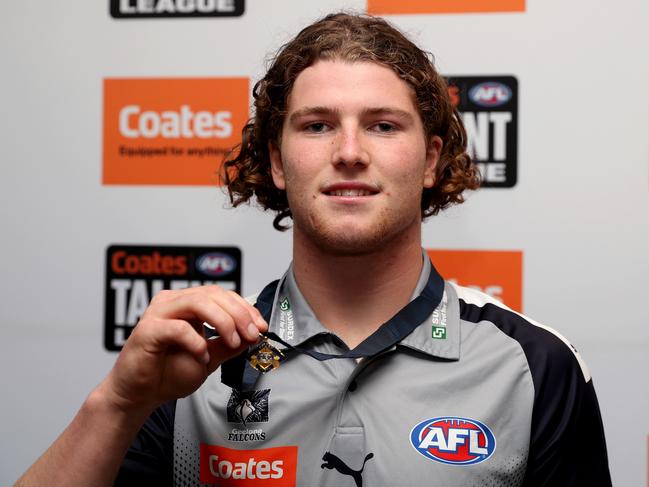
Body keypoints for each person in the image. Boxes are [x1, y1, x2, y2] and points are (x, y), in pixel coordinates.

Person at [16, 12, 611, 487]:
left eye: (382, 125)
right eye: (317, 125)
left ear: (430, 160)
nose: (349, 151)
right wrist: (119, 403)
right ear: (276, 161)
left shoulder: (533, 367)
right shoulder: (196, 364)